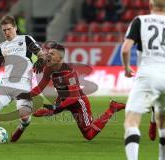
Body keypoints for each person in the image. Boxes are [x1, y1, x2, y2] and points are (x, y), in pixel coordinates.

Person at [18, 43, 125, 140]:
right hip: (63, 100)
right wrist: (26, 95)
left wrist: (57, 107)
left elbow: (74, 97)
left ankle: (112, 109)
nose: (48, 55)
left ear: (60, 58)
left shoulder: (68, 72)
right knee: (40, 113)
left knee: (89, 135)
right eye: (48, 53)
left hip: (78, 102)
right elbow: (40, 87)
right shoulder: (48, 69)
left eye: (52, 54)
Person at [121, 0, 165, 159]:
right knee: (163, 119)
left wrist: (126, 69)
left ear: (151, 6)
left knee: (131, 122)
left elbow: (126, 49)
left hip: (147, 74)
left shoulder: (140, 20)